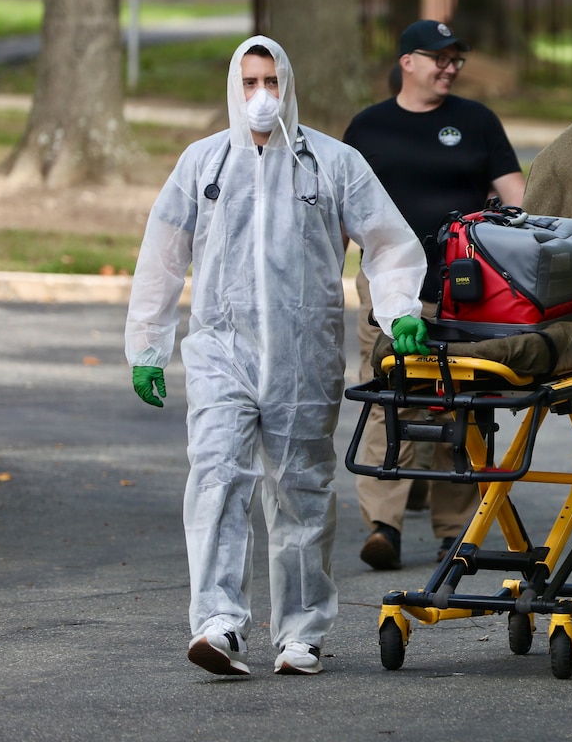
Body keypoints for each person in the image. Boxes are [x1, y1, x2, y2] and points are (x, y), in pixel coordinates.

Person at [126, 37, 429, 677]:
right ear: (233, 89)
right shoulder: (203, 163)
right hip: (220, 351)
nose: (261, 96)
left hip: (303, 356)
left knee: (302, 494)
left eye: (271, 81)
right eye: (248, 82)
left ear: (288, 84)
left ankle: (301, 633)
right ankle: (218, 624)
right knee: (215, 480)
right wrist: (148, 343)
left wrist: (400, 310)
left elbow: (389, 243)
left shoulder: (331, 163)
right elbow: (162, 253)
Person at [342, 19, 526, 569]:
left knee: (459, 406)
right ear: (407, 62)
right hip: (385, 285)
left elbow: (518, 196)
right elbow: (342, 210)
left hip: (464, 292)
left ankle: (454, 531)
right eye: (439, 58)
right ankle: (384, 526)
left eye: (456, 60)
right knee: (385, 400)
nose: (449, 68)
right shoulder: (369, 128)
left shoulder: (476, 122)